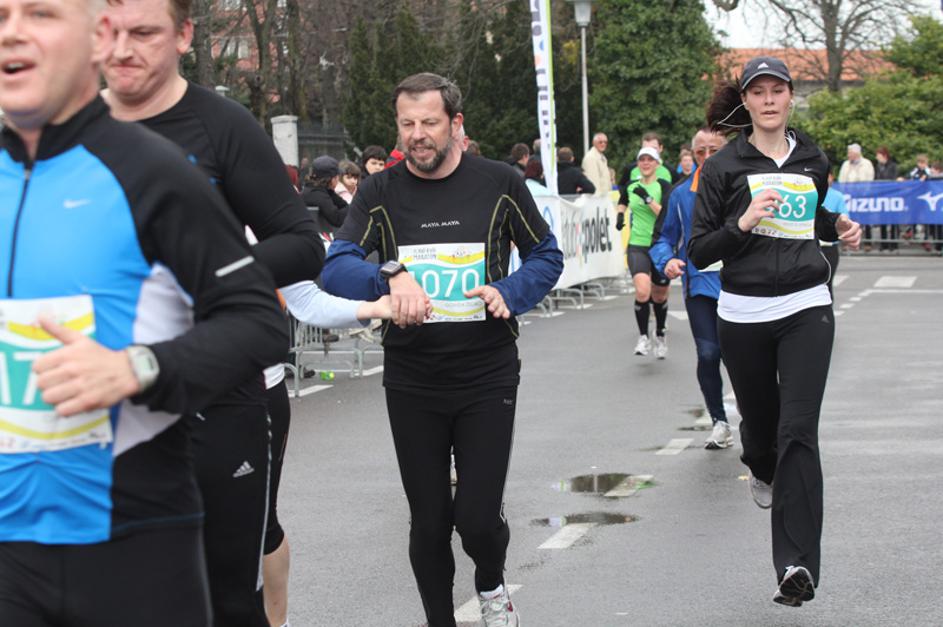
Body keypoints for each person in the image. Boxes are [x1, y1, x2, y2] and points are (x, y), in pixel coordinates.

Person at [0, 0, 290, 624]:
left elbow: (257, 321)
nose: (13, 33)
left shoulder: (150, 170)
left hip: (130, 538)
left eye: (40, 14)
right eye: (0, 16)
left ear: (97, 36)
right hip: (10, 545)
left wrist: (137, 367)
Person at [102, 1, 325, 625]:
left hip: (215, 400)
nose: (123, 49)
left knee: (223, 602)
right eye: (109, 32)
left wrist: (207, 276)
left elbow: (301, 243)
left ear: (183, 35)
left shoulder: (219, 125)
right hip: (98, 403)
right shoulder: (65, 131)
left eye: (144, 32)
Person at [322, 72, 563, 627]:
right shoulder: (379, 191)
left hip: (486, 372)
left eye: (429, 123)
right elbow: (336, 265)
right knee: (429, 522)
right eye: (406, 124)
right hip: (413, 376)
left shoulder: (500, 181)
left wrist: (509, 291)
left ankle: (491, 583)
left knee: (476, 519)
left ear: (455, 123)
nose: (417, 135)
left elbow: (546, 255)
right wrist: (390, 274)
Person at [688, 56, 861, 608]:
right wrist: (742, 222)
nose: (768, 100)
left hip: (808, 305)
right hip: (744, 313)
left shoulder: (812, 157)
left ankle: (796, 565)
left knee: (799, 432)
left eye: (777, 90)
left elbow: (810, 216)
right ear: (746, 100)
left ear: (789, 97)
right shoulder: (723, 167)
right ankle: (758, 463)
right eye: (758, 91)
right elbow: (699, 250)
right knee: (763, 437)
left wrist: (837, 225)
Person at [650, 128, 732, 448]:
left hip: (742, 287)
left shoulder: (743, 185)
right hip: (699, 286)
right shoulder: (681, 194)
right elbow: (663, 239)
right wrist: (667, 261)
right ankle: (720, 421)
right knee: (709, 353)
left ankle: (757, 421)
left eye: (714, 150)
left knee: (743, 358)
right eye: (700, 152)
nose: (707, 157)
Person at [615, 147, 673, 358]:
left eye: (650, 159)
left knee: (659, 295)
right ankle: (643, 338)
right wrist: (620, 215)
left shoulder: (664, 186)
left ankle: (660, 334)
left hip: (659, 245)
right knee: (642, 291)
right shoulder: (632, 185)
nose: (646, 163)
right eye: (642, 159)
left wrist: (648, 199)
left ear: (657, 163)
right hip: (637, 244)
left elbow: (665, 214)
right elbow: (623, 200)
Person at [820, 168, 849, 296]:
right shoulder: (810, 193)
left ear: (832, 177)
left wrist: (845, 234)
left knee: (827, 283)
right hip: (811, 245)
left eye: (828, 176)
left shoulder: (837, 196)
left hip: (829, 247)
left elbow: (844, 217)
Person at [303, 155, 349, 233]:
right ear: (331, 179)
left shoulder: (313, 190)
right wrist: (354, 206)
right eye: (337, 177)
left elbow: (343, 205)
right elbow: (337, 219)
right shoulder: (318, 195)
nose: (338, 180)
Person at [873, 147, 898, 250]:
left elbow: (893, 179)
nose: (876, 157)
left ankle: (893, 243)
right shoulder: (878, 166)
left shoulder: (893, 166)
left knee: (893, 221)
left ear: (884, 155)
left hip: (891, 196)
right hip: (881, 196)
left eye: (878, 155)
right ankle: (883, 243)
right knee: (882, 220)